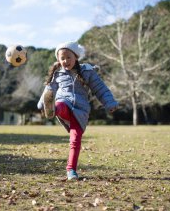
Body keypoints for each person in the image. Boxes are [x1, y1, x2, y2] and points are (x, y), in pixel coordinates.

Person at [37, 41, 118, 180]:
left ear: (76, 57)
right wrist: (41, 105)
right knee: (61, 104)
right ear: (58, 60)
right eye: (62, 58)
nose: (65, 61)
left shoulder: (87, 72)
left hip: (80, 111)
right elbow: (48, 90)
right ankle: (52, 109)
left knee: (75, 140)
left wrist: (110, 103)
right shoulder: (58, 74)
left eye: (68, 57)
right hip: (63, 103)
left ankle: (71, 170)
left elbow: (100, 89)